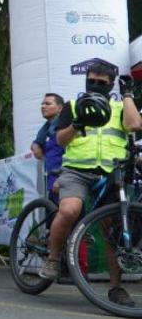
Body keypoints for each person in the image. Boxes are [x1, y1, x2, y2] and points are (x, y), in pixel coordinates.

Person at [39, 63, 142, 307]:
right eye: (91, 80)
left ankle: (116, 288)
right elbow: (60, 140)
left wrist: (127, 95)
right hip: (77, 171)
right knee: (69, 211)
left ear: (111, 84)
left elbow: (134, 125)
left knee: (112, 230)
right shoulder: (73, 105)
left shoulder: (120, 107)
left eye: (101, 82)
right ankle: (53, 258)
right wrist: (77, 124)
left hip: (112, 172)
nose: (95, 84)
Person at [30, 93, 65, 203]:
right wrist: (35, 144)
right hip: (51, 183)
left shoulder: (66, 128)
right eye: (42, 104)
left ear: (60, 108)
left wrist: (63, 179)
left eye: (48, 104)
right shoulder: (46, 128)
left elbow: (74, 156)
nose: (43, 106)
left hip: (65, 183)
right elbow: (38, 142)